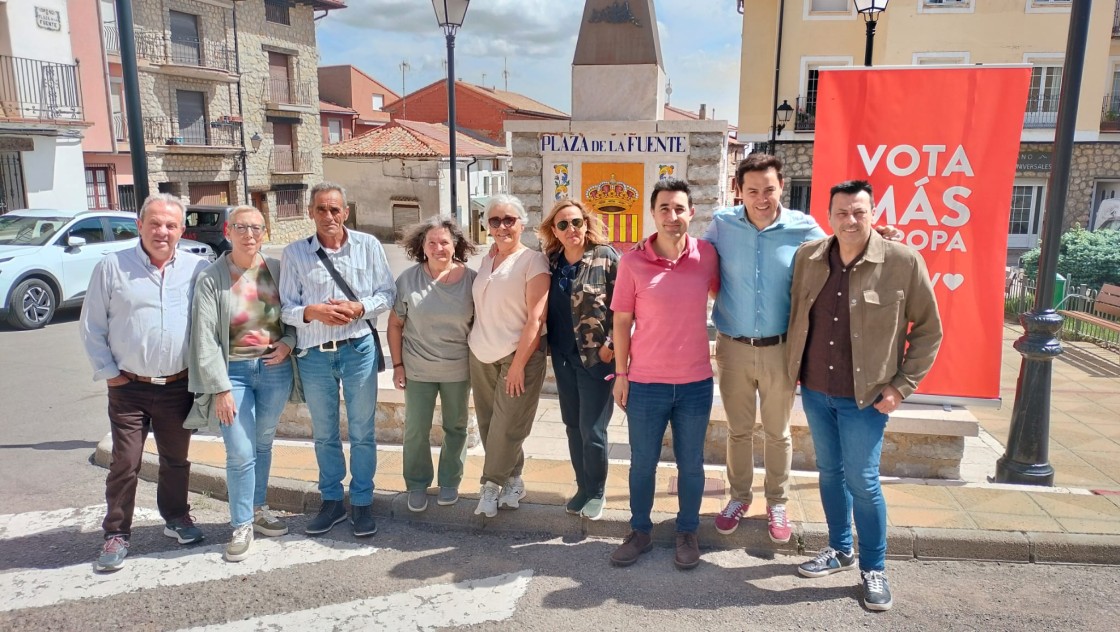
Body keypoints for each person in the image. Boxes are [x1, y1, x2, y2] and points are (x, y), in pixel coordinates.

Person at [788, 180, 942, 611]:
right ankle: (839, 548)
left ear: (872, 213)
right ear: (830, 215)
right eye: (842, 213)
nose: (850, 221)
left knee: (863, 481)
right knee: (829, 472)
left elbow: (930, 330)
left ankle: (874, 569)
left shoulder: (903, 261)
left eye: (859, 212)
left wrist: (901, 387)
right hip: (817, 391)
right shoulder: (809, 257)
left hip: (867, 398)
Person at [80, 194, 209, 573]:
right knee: (125, 461)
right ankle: (116, 533)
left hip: (177, 386)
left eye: (171, 225)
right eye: (154, 223)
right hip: (129, 387)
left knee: (175, 460)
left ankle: (177, 517)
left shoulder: (198, 268)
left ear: (182, 230)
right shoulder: (112, 267)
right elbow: (92, 327)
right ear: (139, 226)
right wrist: (112, 375)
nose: (162, 231)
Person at [705, 154, 824, 543]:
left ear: (781, 187)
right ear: (739, 189)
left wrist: (880, 237)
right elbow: (690, 260)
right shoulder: (722, 224)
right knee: (738, 431)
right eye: (752, 190)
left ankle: (777, 502)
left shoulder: (803, 227)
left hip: (781, 349)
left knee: (778, 432)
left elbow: (842, 253)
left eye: (769, 189)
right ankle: (739, 497)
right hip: (733, 347)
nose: (761, 198)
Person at [609, 178, 719, 570]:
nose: (672, 217)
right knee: (643, 463)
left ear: (691, 212)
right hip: (645, 382)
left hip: (695, 383)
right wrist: (621, 374)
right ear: (652, 215)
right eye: (664, 209)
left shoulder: (707, 255)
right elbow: (622, 322)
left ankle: (687, 531)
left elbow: (729, 294)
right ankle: (640, 531)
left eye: (679, 209)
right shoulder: (633, 261)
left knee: (691, 463)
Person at [279, 183, 395, 537]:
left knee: (362, 432)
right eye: (321, 210)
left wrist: (360, 307)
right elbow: (285, 308)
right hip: (314, 355)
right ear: (311, 213)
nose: (328, 216)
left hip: (357, 348)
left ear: (346, 212)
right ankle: (331, 502)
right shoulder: (295, 253)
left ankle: (361, 503)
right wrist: (312, 312)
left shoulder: (368, 246)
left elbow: (387, 293)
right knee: (325, 433)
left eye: (334, 210)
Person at [186, 206, 297, 562]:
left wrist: (288, 343)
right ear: (229, 231)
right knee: (240, 450)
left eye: (256, 228)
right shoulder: (211, 277)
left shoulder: (277, 270)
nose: (249, 235)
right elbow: (203, 337)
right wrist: (218, 387)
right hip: (233, 373)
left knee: (263, 442)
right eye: (241, 228)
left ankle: (260, 508)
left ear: (264, 232)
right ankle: (241, 523)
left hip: (274, 368)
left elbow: (293, 313)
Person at [387, 216, 477, 513]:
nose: (439, 248)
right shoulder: (408, 280)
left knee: (456, 427)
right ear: (422, 247)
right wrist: (398, 365)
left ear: (456, 246)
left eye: (445, 242)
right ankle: (416, 483)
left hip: (458, 370)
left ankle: (450, 480)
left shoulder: (472, 281)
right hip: (418, 369)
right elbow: (395, 324)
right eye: (432, 242)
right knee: (416, 428)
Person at [468, 194, 550, 518]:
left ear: (522, 223)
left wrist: (518, 365)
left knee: (509, 425)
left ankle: (490, 485)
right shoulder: (487, 259)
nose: (502, 226)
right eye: (495, 220)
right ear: (487, 225)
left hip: (520, 355)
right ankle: (514, 480)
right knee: (490, 426)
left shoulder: (533, 261)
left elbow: (536, 318)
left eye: (509, 220)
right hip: (481, 352)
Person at [537, 199, 619, 521]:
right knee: (572, 426)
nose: (571, 229)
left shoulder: (606, 257)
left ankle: (597, 490)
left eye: (576, 222)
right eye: (563, 224)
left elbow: (626, 305)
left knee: (592, 429)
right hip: (563, 358)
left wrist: (609, 347)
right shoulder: (551, 261)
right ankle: (583, 487)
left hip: (597, 360)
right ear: (554, 231)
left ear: (586, 224)